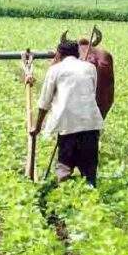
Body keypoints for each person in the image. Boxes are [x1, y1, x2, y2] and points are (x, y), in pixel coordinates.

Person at [31, 35, 105, 186]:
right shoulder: (90, 68)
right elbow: (92, 92)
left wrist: (37, 126)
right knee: (89, 171)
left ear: (59, 54)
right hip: (91, 124)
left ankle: (63, 193)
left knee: (64, 166)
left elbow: (44, 102)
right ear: (77, 54)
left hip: (68, 126)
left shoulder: (55, 70)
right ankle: (91, 194)